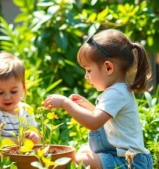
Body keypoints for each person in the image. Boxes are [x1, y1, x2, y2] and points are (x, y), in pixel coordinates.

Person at [44, 29, 153, 169]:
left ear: (108, 67)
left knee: (79, 160)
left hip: (130, 162)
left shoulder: (116, 93)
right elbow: (106, 119)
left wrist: (66, 104)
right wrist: (89, 107)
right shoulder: (118, 90)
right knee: (83, 151)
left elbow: (94, 122)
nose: (86, 76)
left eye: (88, 70)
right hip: (119, 156)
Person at [0, 52, 40, 144]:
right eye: (0, 92)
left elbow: (36, 136)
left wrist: (34, 136)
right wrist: (21, 142)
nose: (7, 97)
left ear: (23, 88)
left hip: (15, 157)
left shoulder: (26, 110)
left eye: (13, 91)